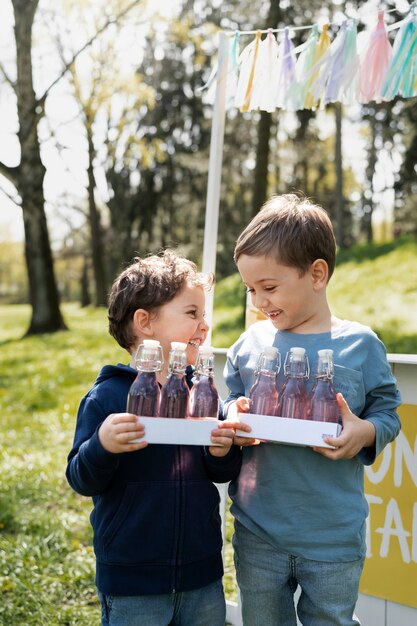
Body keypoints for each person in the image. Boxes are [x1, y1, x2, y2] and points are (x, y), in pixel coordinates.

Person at [224, 194, 401, 626]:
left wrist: (366, 433)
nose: (258, 301)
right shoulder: (247, 346)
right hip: (258, 530)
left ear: (317, 274)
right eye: (250, 289)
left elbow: (388, 414)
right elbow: (228, 401)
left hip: (333, 536)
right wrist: (234, 415)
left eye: (269, 287)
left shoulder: (360, 345)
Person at [66, 249, 241, 626]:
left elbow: (220, 470)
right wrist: (102, 446)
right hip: (133, 580)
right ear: (145, 321)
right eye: (192, 313)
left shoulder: (203, 393)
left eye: (204, 315)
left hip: (201, 574)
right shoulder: (108, 398)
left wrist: (221, 450)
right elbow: (80, 477)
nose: (204, 325)